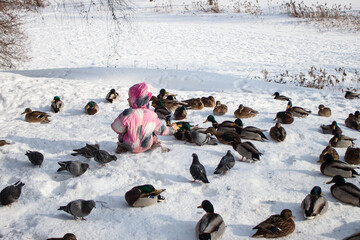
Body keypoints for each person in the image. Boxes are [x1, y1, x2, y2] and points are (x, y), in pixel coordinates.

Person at [111, 82, 177, 154]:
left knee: (122, 132)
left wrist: (127, 129)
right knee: (152, 131)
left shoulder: (127, 113)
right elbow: (161, 130)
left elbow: (116, 128)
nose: (128, 99)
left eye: (130, 97)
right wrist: (171, 130)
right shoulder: (152, 114)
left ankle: (121, 147)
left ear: (134, 99)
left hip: (129, 145)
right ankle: (156, 145)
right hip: (146, 145)